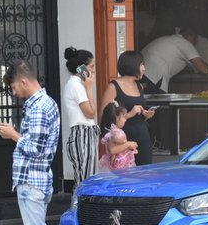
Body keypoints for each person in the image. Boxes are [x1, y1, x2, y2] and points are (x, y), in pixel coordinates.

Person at [0, 60, 61, 225]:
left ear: (24, 81)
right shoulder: (45, 103)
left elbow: (37, 149)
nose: (14, 93)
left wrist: (13, 135)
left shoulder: (39, 107)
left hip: (32, 179)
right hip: (40, 178)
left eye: (13, 87)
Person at [99, 51, 155, 166]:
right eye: (141, 65)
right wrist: (129, 114)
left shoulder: (139, 86)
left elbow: (138, 111)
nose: (144, 68)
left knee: (145, 172)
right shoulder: (113, 86)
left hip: (142, 136)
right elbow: (105, 116)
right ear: (133, 65)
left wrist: (145, 115)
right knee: (126, 177)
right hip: (122, 139)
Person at [62, 47, 98, 187]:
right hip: (83, 133)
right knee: (86, 179)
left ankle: (80, 207)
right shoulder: (76, 85)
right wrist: (89, 89)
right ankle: (80, 208)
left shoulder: (76, 84)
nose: (93, 70)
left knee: (84, 177)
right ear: (81, 68)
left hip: (83, 133)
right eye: (91, 66)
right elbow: (90, 112)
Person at [141, 26, 208, 93]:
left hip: (139, 75)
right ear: (190, 37)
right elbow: (204, 70)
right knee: (159, 103)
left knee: (142, 101)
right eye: (195, 41)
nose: (195, 44)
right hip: (154, 77)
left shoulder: (167, 39)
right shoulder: (184, 43)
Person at [98, 101, 137, 171]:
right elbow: (112, 150)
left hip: (122, 162)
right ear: (116, 118)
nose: (125, 119)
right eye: (124, 117)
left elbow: (118, 146)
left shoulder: (117, 132)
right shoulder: (113, 133)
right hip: (116, 165)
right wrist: (128, 144)